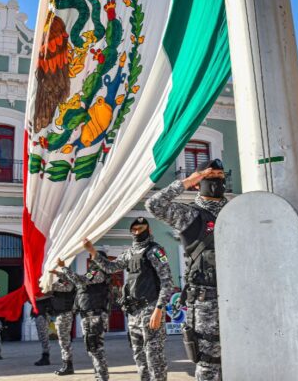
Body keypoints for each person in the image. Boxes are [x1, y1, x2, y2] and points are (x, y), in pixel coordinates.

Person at [146, 159, 228, 381]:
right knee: (209, 363)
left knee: (239, 358)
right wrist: (187, 181)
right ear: (199, 181)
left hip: (238, 299)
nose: (218, 179)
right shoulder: (191, 215)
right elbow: (154, 205)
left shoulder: (236, 212)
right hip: (206, 301)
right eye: (211, 175)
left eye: (221, 175)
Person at [84, 217, 175, 381]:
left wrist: (159, 309)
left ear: (149, 230)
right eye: (134, 230)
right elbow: (111, 267)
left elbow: (167, 282)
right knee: (139, 358)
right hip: (134, 313)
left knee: (155, 358)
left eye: (141, 228)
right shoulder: (129, 253)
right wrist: (92, 251)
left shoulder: (155, 251)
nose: (137, 232)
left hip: (150, 309)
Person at [53, 253, 111, 381]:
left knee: (96, 347)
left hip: (95, 316)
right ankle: (100, 374)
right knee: (92, 347)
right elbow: (78, 282)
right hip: (88, 315)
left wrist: (64, 268)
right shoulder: (94, 274)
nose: (90, 260)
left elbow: (80, 280)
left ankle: (102, 377)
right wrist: (59, 273)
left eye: (93, 258)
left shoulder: (98, 273)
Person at [48, 275, 77, 376]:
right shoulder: (58, 283)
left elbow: (67, 288)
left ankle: (68, 366)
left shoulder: (69, 282)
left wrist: (49, 284)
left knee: (64, 341)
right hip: (59, 314)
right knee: (63, 340)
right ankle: (66, 365)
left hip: (65, 314)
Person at [33, 296, 53, 366]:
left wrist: (34, 297)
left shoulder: (44, 286)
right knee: (42, 335)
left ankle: (45, 356)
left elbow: (49, 294)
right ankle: (45, 355)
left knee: (44, 334)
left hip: (44, 311)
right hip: (38, 311)